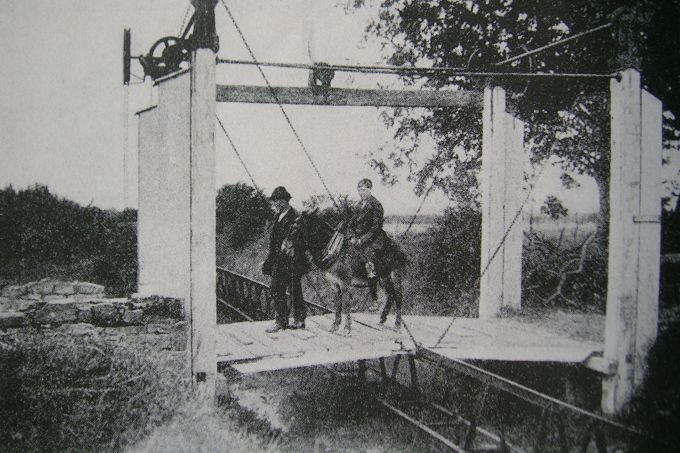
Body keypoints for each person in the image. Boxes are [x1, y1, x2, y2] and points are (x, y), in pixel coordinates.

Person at [346, 178, 404, 327]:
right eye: (359, 190)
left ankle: (375, 298)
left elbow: (375, 227)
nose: (361, 193)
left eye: (364, 190)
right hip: (357, 240)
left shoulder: (376, 205)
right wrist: (352, 236)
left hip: (374, 240)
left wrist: (362, 240)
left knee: (369, 262)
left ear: (370, 189)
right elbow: (351, 223)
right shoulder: (358, 205)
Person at [261, 186, 307, 332]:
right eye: (273, 202)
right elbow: (273, 242)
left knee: (295, 291)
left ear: (283, 201)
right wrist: (269, 259)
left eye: (276, 201)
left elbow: (303, 241)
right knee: (276, 289)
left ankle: (299, 320)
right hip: (278, 261)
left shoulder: (296, 217)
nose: (274, 204)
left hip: (293, 261)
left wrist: (291, 245)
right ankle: (281, 321)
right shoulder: (277, 216)